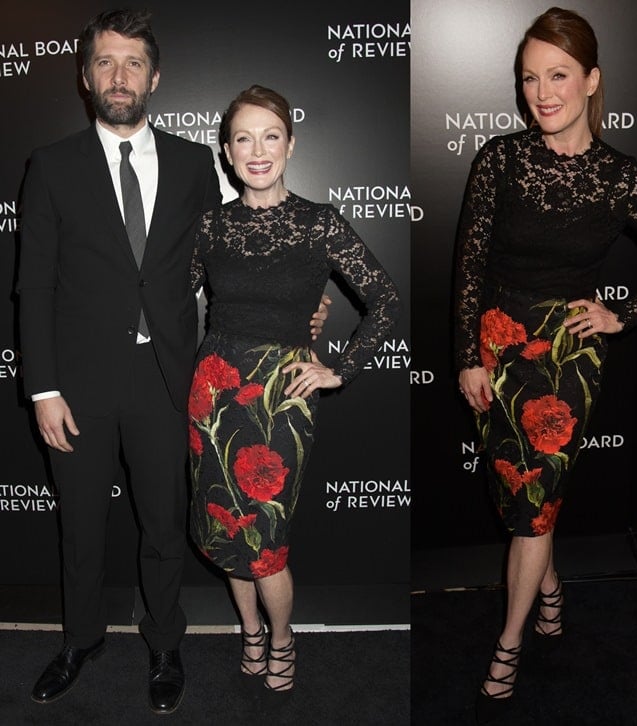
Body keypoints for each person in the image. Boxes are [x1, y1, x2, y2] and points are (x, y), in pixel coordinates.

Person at [17, 9, 327, 715]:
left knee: (163, 523)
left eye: (133, 64)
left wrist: (307, 306)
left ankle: (164, 644)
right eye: (105, 62)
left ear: (154, 76)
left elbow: (238, 249)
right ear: (84, 75)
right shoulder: (53, 165)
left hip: (172, 378)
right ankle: (80, 640)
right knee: (80, 525)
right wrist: (42, 389)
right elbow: (32, 284)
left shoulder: (194, 164)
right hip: (79, 384)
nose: (119, 77)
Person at [453, 7, 637, 724]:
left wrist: (622, 314)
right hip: (497, 342)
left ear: (591, 80)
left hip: (566, 357)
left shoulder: (620, 178)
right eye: (530, 78)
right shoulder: (499, 158)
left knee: (533, 508)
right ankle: (550, 591)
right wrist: (469, 357)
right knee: (521, 502)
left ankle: (508, 644)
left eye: (558, 75)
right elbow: (468, 266)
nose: (543, 92)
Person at [187, 84, 401, 699]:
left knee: (267, 537)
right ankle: (250, 631)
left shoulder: (318, 222)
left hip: (282, 398)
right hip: (214, 392)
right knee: (229, 532)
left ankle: (282, 637)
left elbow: (384, 300)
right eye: (243, 139)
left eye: (270, 136)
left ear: (291, 144)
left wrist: (341, 367)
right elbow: (175, 302)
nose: (258, 151)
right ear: (227, 152)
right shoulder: (211, 226)